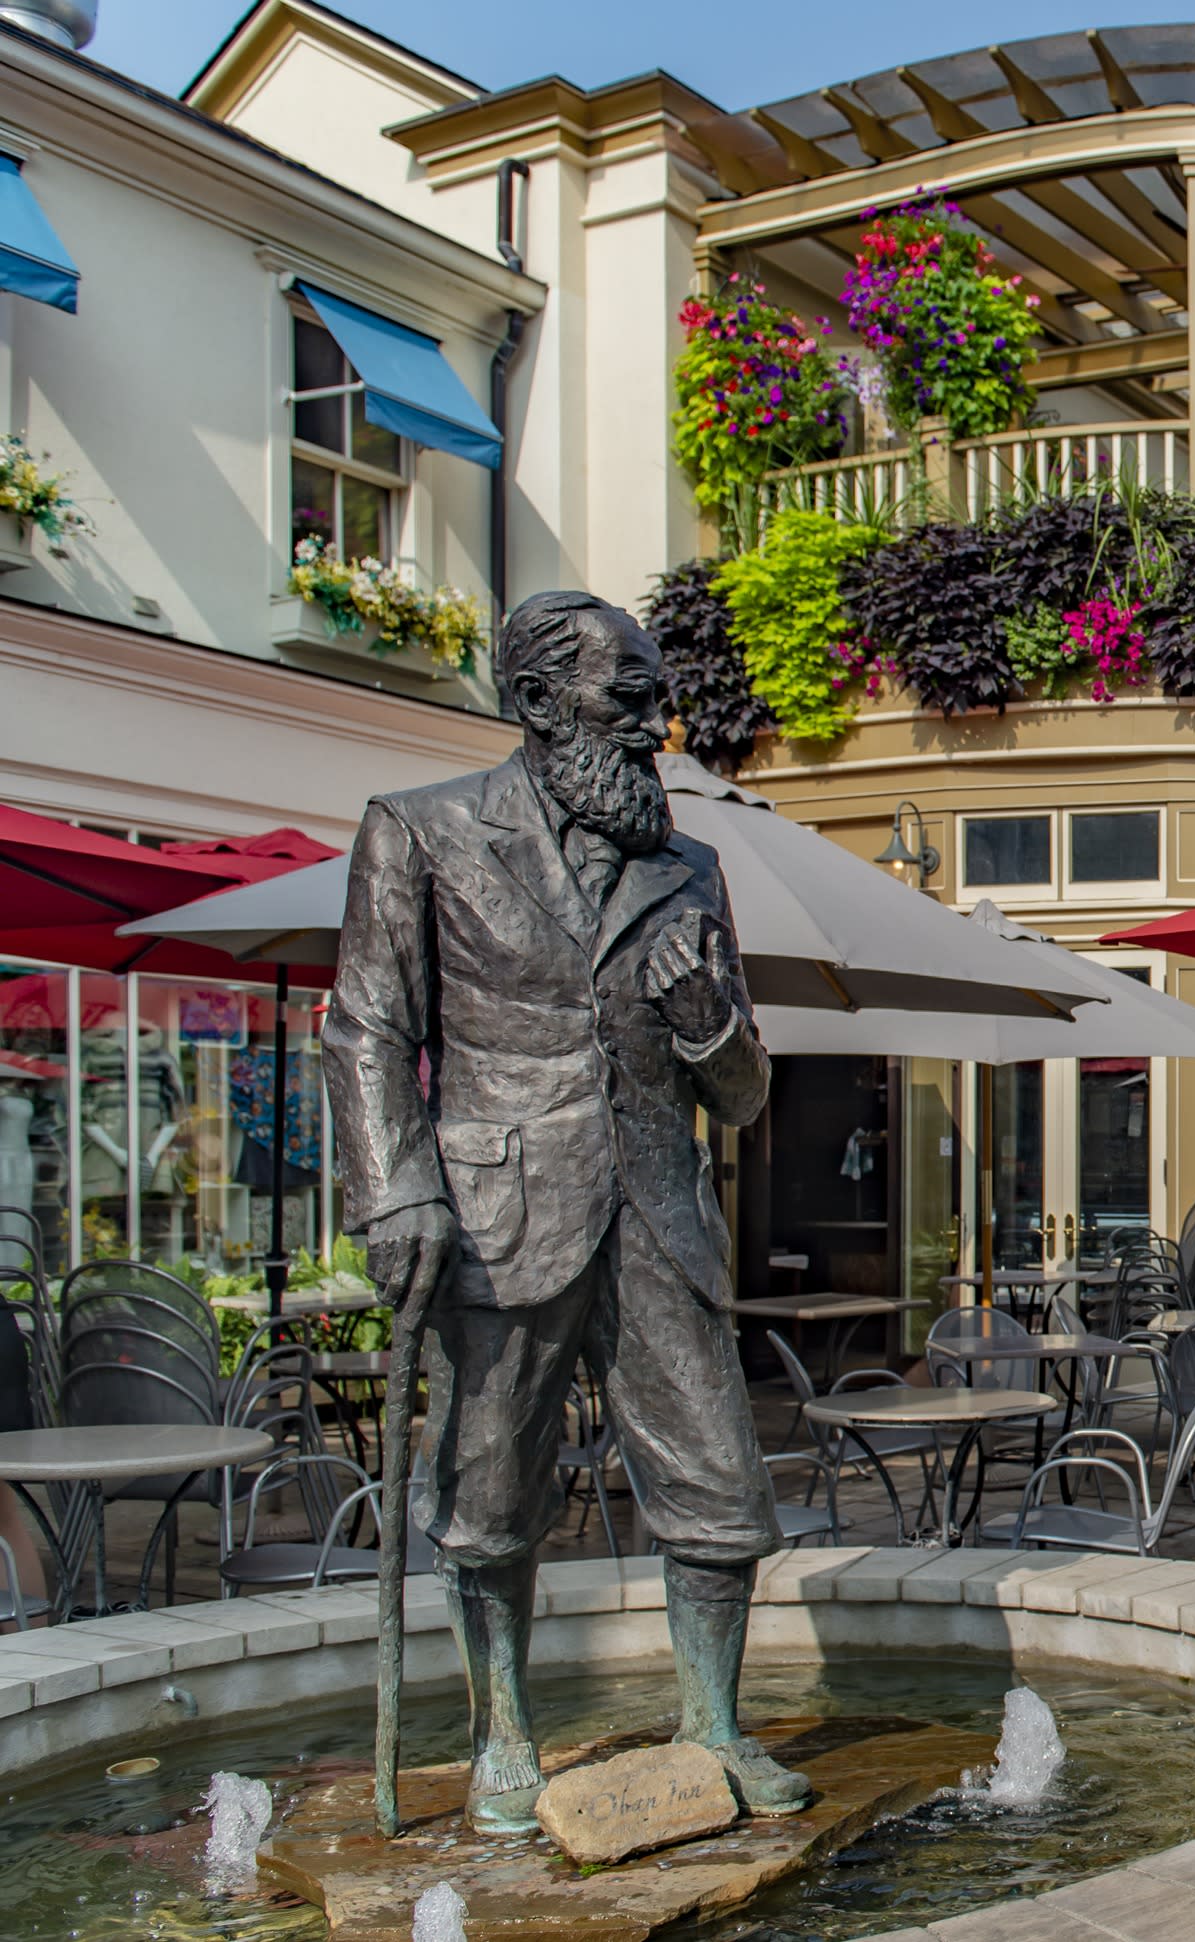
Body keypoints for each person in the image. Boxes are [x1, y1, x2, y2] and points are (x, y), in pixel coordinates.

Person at [325, 591, 806, 1834]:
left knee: (719, 1484)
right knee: (488, 1495)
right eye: (629, 691)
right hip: (495, 1214)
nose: (659, 718)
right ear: (538, 704)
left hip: (657, 1209)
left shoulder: (687, 864)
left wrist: (706, 1015)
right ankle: (501, 1739)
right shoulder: (421, 833)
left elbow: (744, 1094)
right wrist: (397, 1190)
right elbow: (371, 1027)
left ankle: (713, 1723)